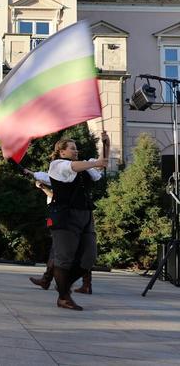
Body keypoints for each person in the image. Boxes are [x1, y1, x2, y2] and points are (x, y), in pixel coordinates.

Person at [47, 133, 109, 311]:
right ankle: (63, 297)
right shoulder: (57, 165)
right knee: (64, 258)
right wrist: (96, 162)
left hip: (86, 216)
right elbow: (73, 167)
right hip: (65, 216)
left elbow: (101, 164)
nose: (76, 150)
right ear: (62, 152)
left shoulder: (85, 166)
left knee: (89, 257)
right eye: (72, 148)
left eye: (76, 148)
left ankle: (63, 286)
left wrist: (106, 145)